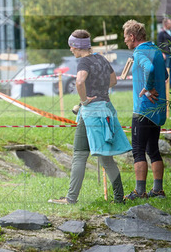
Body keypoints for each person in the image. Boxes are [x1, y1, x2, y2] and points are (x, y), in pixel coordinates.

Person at [48, 30, 129, 205]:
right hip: (106, 111)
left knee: (79, 155)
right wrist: (99, 89)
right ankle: (118, 198)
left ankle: (71, 199)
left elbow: (79, 82)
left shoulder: (84, 62)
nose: (71, 50)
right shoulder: (101, 58)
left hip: (91, 113)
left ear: (77, 46)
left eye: (71, 46)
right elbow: (113, 81)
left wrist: (84, 100)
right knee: (106, 158)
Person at [123, 19, 167, 200]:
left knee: (138, 150)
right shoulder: (156, 50)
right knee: (153, 149)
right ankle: (157, 190)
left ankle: (140, 192)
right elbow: (164, 74)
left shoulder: (140, 52)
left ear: (132, 36)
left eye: (125, 37)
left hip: (143, 109)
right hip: (157, 110)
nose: (125, 40)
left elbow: (149, 68)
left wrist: (148, 88)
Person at [157, 16, 171, 88]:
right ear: (166, 24)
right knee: (166, 69)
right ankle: (166, 84)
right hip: (166, 54)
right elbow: (159, 44)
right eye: (170, 23)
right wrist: (162, 53)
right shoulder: (162, 33)